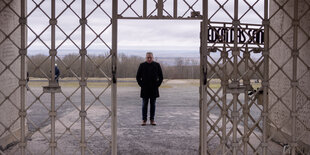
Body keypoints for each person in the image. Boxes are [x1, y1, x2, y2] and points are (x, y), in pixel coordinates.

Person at [136, 52, 163, 126]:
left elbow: (161, 77)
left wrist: (157, 85)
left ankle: (152, 120)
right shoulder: (142, 65)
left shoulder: (157, 65)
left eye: (150, 57)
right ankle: (144, 120)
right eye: (148, 57)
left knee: (153, 105)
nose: (149, 59)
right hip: (145, 89)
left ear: (153, 57)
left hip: (154, 89)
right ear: (146, 57)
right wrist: (141, 85)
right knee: (144, 104)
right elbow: (138, 77)